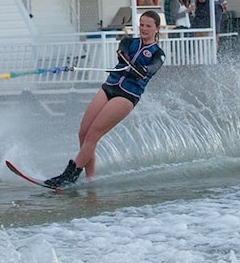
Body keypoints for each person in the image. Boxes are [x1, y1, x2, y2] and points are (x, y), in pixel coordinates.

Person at [44, 10, 166, 188]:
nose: (144, 28)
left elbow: (152, 68)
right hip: (109, 87)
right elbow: (122, 51)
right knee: (83, 133)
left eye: (148, 26)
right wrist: (125, 58)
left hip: (127, 96)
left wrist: (141, 70)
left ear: (157, 28)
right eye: (142, 24)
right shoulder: (128, 42)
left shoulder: (158, 54)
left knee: (93, 134)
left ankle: (69, 175)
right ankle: (90, 178)